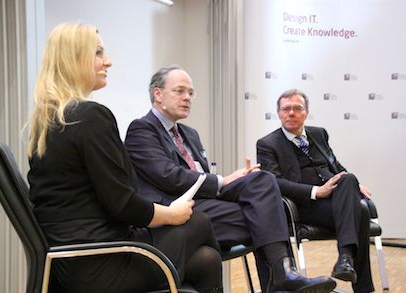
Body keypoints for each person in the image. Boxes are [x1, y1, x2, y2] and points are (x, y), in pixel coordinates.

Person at [27, 23, 223, 293]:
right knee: (199, 221)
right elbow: (122, 205)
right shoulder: (90, 116)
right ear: (73, 59)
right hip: (102, 263)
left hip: (72, 263)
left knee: (207, 260)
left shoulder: (49, 121)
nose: (108, 61)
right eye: (98, 53)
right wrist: (170, 213)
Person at [124, 65, 336, 293]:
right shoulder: (142, 129)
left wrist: (230, 180)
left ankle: (283, 273)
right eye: (180, 91)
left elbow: (200, 180)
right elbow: (169, 177)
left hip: (204, 203)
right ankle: (282, 278)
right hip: (173, 210)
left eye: (191, 92)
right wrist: (222, 181)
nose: (187, 97)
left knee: (262, 179)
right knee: (267, 217)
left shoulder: (190, 134)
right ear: (158, 94)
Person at [256, 89, 374, 293]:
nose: (291, 113)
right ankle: (358, 281)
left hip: (336, 200)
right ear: (279, 113)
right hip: (304, 205)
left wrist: (354, 185)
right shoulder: (268, 144)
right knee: (361, 212)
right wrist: (316, 191)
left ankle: (345, 260)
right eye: (286, 109)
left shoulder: (319, 133)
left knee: (349, 179)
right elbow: (275, 182)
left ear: (306, 112)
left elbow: (334, 165)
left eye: (297, 108)